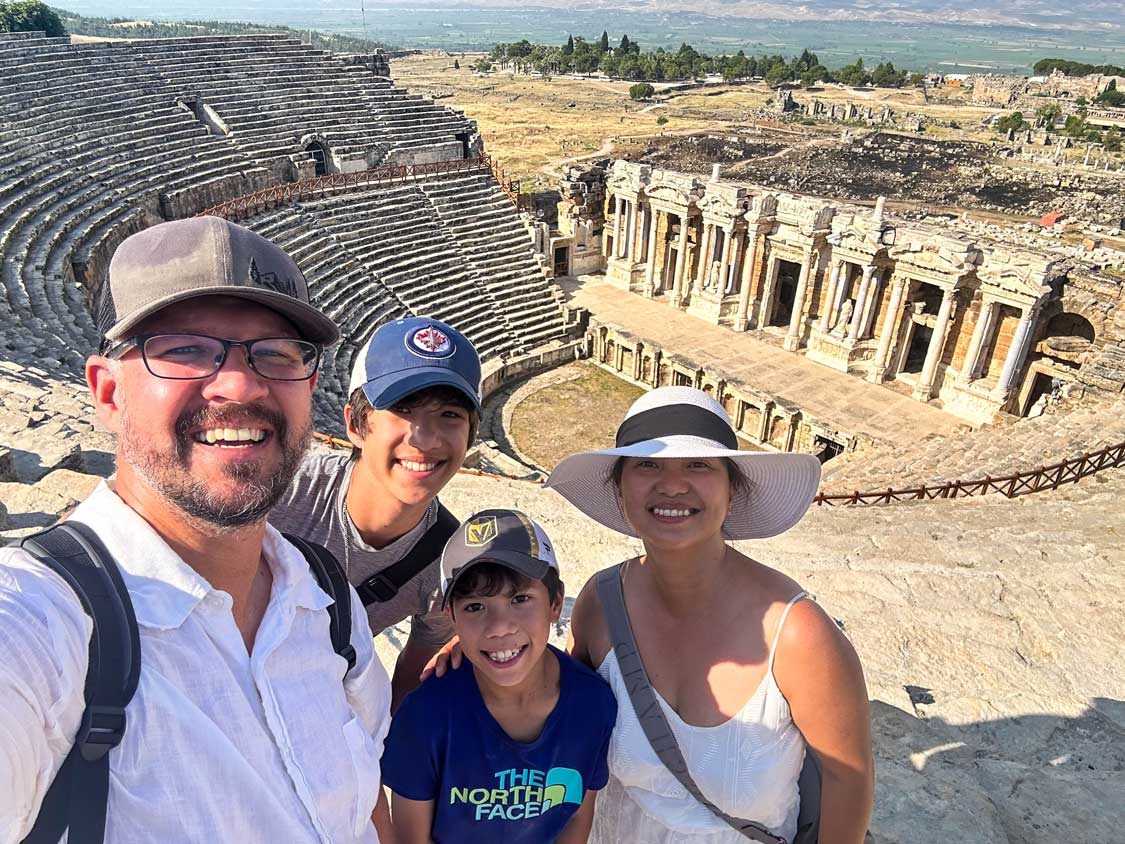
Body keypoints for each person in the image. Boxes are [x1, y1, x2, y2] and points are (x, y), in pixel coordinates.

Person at [0, 218, 394, 843]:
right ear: (107, 393)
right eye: (182, 349)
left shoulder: (326, 599)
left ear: (310, 384)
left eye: (274, 352)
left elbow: (366, 796)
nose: (239, 384)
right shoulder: (43, 625)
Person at [546, 386, 874, 844]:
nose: (673, 484)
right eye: (647, 465)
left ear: (731, 487)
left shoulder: (799, 636)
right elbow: (557, 712)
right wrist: (484, 645)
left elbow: (848, 782)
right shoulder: (600, 604)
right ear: (620, 490)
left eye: (698, 464)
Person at [270, 316, 481, 710]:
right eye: (402, 408)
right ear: (355, 424)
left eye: (450, 414)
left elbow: (409, 689)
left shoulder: (448, 566)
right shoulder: (284, 494)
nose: (426, 437)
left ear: (471, 436)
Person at [381, 509, 617, 844]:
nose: (499, 627)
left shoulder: (593, 704)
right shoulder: (426, 714)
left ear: (556, 603)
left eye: (520, 599)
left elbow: (577, 816)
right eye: (475, 606)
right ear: (452, 617)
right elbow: (410, 838)